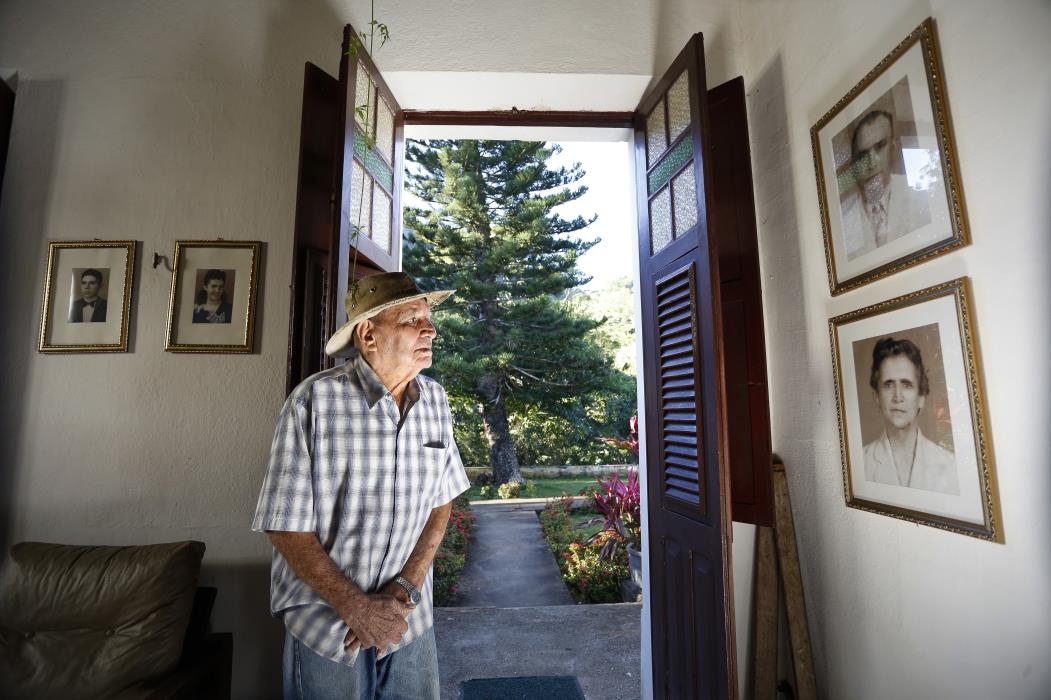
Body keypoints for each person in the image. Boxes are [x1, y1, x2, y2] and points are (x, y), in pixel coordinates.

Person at [251, 271, 468, 699]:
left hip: (408, 620)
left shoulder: (436, 401)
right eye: (412, 320)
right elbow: (284, 524)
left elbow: (441, 503)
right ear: (368, 336)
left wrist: (405, 586)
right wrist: (357, 606)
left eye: (428, 318)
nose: (430, 329)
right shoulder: (313, 403)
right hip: (329, 623)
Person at [862, 337, 958, 494]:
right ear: (877, 397)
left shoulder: (950, 465)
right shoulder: (861, 462)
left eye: (907, 385)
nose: (897, 397)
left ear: (921, 397)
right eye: (888, 385)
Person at [840, 109, 931, 260]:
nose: (872, 162)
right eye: (863, 155)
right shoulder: (844, 220)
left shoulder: (919, 194)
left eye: (880, 146)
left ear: (893, 147)